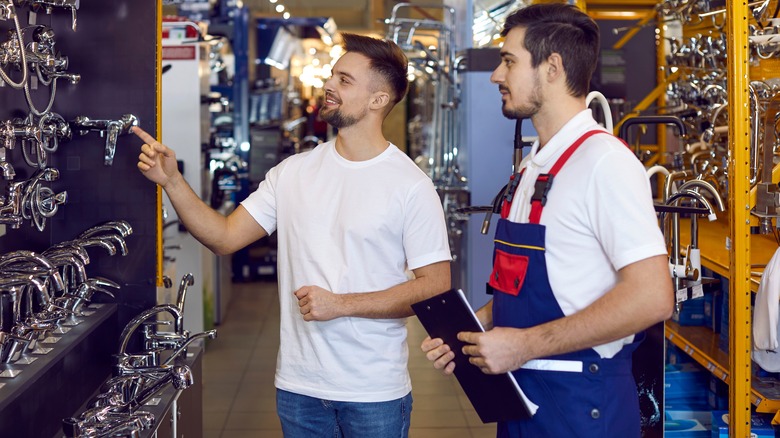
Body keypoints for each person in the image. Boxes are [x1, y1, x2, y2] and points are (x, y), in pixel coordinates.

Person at [134, 33, 451, 438]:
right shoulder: (293, 173)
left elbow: (435, 286)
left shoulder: (410, 185)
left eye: (345, 80)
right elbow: (225, 237)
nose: (330, 85)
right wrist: (172, 182)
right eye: (333, 76)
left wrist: (340, 304)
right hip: (299, 387)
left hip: (373, 390)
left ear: (378, 100)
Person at [421, 4, 673, 437]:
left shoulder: (605, 163)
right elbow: (536, 285)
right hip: (523, 403)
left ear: (552, 67)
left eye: (508, 61)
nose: (496, 76)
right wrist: (476, 327)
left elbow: (653, 297)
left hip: (582, 411)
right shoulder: (532, 169)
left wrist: (524, 345)